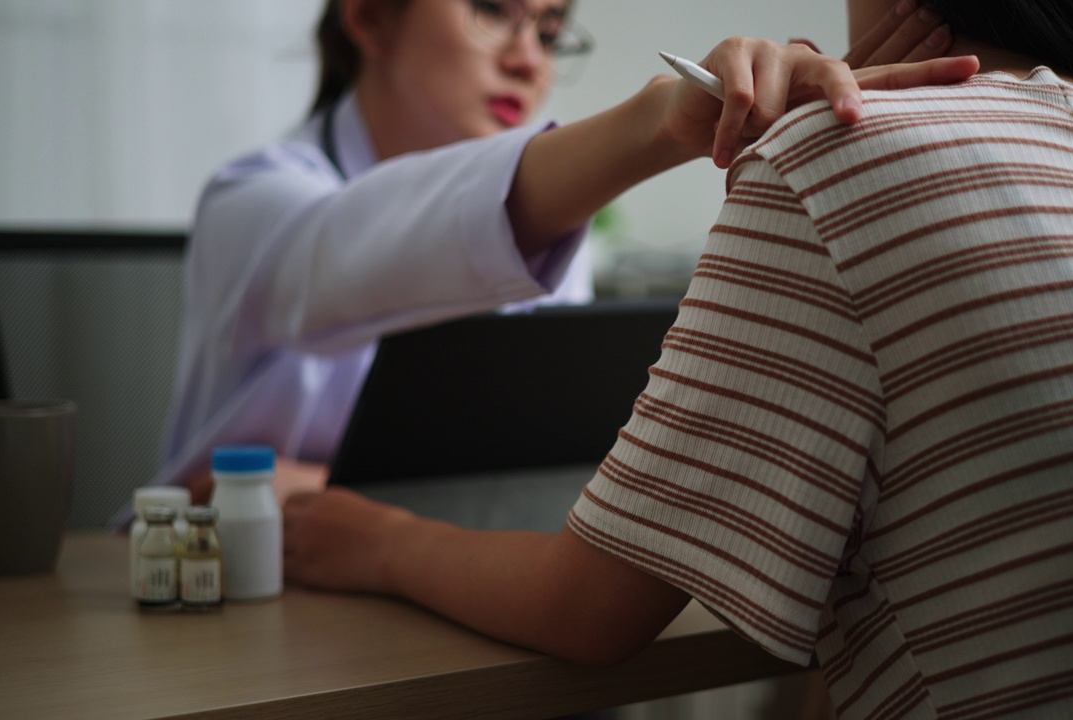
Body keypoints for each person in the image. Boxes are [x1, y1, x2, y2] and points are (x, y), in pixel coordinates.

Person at [280, 0, 1073, 717]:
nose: (526, 50)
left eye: (548, 22)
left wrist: (367, 537)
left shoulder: (843, 151)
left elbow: (585, 611)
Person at [148, 0, 975, 507]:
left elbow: (528, 453)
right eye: (490, 9)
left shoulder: (550, 222)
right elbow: (352, 258)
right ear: (367, 14)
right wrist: (655, 122)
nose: (527, 56)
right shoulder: (251, 203)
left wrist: (853, 150)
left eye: (549, 27)